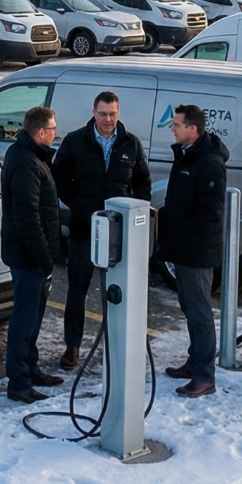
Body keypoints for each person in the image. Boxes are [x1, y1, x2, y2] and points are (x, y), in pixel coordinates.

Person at [49, 91, 151, 370]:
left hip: (119, 233)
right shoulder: (75, 141)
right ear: (94, 112)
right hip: (85, 229)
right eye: (103, 114)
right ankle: (72, 345)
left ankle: (117, 346)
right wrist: (80, 207)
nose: (108, 119)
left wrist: (134, 213)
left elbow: (142, 182)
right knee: (77, 291)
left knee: (117, 292)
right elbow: (59, 178)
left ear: (119, 113)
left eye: (113, 114)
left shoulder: (131, 143)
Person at [160, 104, 227, 397]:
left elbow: (209, 214)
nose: (172, 129)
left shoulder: (208, 163)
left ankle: (204, 376)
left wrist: (183, 238)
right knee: (189, 308)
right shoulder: (188, 156)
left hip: (197, 252)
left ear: (193, 129)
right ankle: (194, 361)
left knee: (199, 312)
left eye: (176, 125)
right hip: (184, 249)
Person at [0, 104, 64, 403]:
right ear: (40, 132)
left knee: (33, 318)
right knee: (24, 321)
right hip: (29, 258)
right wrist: (43, 257)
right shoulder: (27, 162)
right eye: (52, 130)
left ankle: (31, 367)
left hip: (33, 257)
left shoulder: (32, 156)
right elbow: (28, 217)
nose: (55, 134)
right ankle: (19, 382)